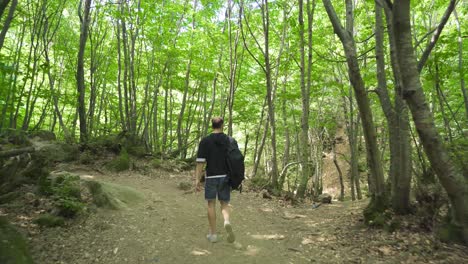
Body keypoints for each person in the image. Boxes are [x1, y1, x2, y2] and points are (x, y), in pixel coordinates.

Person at [194, 117, 235, 243]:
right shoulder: (230, 140)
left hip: (211, 177)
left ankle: (213, 235)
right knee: (224, 203)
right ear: (222, 125)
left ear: (212, 125)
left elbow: (200, 163)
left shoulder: (205, 141)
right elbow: (235, 160)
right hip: (225, 177)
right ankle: (227, 221)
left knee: (211, 204)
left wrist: (197, 179)